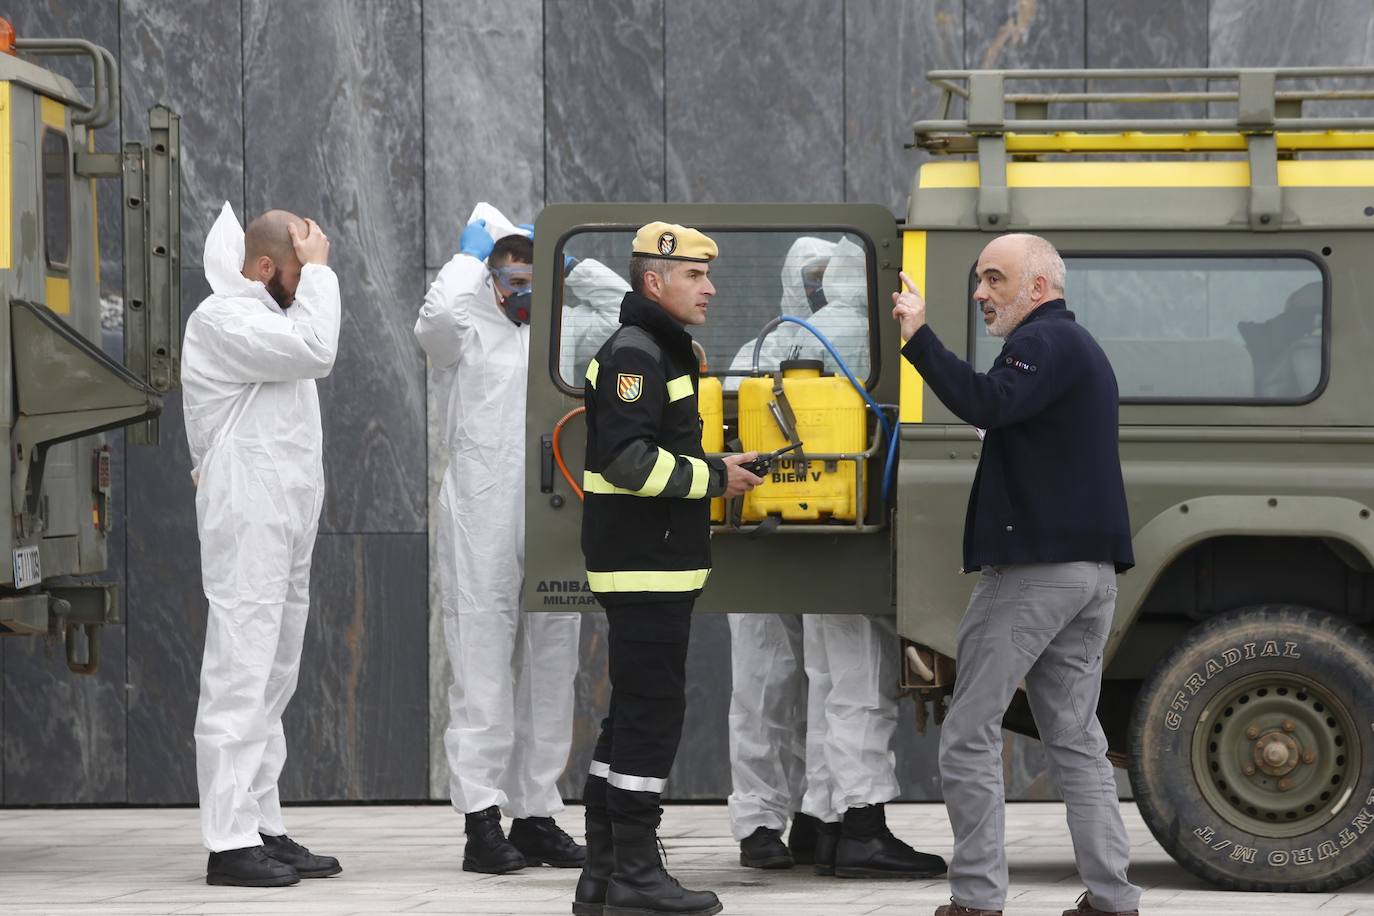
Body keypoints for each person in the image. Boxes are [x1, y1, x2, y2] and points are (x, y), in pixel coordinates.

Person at [892, 233, 1141, 916]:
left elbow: (986, 403)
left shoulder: (1044, 343)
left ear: (1038, 287)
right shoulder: (1081, 349)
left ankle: (976, 900)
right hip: (1092, 575)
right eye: (979, 280)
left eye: (994, 280)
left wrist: (918, 337)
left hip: (1034, 573)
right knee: (1077, 737)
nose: (980, 293)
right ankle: (1114, 899)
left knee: (968, 731)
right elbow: (1016, 421)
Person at [725, 239, 945, 880]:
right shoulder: (876, 339)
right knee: (846, 678)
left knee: (762, 682)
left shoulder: (764, 343)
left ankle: (766, 824)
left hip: (759, 532)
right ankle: (842, 821)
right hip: (839, 530)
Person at [573, 222, 762, 916]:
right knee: (651, 718)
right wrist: (714, 477)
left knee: (631, 717)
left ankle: (602, 873)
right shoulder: (637, 352)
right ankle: (636, 877)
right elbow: (626, 460)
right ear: (654, 281)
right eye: (694, 276)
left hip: (651, 563)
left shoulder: (659, 348)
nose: (709, 287)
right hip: (643, 564)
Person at [415, 203, 586, 875]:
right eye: (510, 280)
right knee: (481, 657)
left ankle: (537, 813)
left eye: (532, 281)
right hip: (483, 514)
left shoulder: (565, 330)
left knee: (554, 661)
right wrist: (465, 259)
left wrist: (565, 262)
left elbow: (616, 301)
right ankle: (481, 820)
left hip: (555, 512)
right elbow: (431, 326)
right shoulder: (465, 327)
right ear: (489, 279)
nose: (521, 294)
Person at [184, 202, 341, 887]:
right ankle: (228, 840)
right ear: (269, 267)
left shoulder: (273, 315)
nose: (309, 284)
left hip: (284, 515)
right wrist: (324, 277)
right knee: (241, 670)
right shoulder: (224, 317)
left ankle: (262, 824)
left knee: (273, 675)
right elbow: (318, 351)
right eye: (301, 271)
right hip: (247, 514)